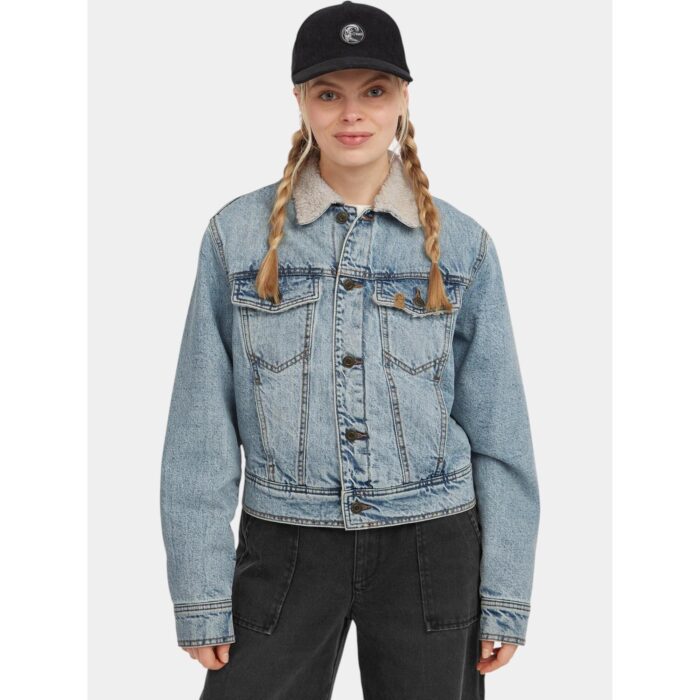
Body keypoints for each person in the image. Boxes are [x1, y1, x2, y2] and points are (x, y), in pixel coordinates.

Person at [159, 2, 540, 698]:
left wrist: (505, 592)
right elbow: (200, 427)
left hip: (432, 546)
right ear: (301, 101)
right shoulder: (237, 238)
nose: (352, 114)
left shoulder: (462, 246)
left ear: (403, 100)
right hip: (286, 544)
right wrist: (201, 591)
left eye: (375, 90)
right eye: (329, 94)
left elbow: (500, 430)